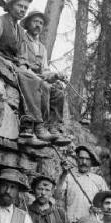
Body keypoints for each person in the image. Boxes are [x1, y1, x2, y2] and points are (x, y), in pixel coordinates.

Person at [0, 0, 55, 144]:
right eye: (20, 6)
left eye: (25, 8)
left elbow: (21, 57)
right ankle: (31, 128)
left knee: (40, 82)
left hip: (13, 64)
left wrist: (24, 67)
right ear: (10, 6)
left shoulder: (20, 31)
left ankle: (37, 128)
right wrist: (6, 62)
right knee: (29, 79)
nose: (23, 10)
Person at [20, 10, 69, 145]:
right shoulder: (21, 39)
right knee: (43, 86)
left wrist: (55, 75)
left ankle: (53, 128)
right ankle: (39, 127)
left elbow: (45, 69)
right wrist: (40, 77)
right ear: (28, 24)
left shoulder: (42, 47)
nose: (38, 25)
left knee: (58, 92)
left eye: (41, 23)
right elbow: (21, 62)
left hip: (39, 76)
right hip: (26, 72)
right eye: (35, 21)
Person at [55, 145, 108, 223]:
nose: (84, 162)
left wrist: (98, 209)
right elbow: (57, 196)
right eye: (81, 158)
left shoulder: (99, 180)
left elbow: (106, 202)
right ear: (77, 159)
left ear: (92, 161)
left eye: (87, 159)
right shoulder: (68, 176)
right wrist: (64, 173)